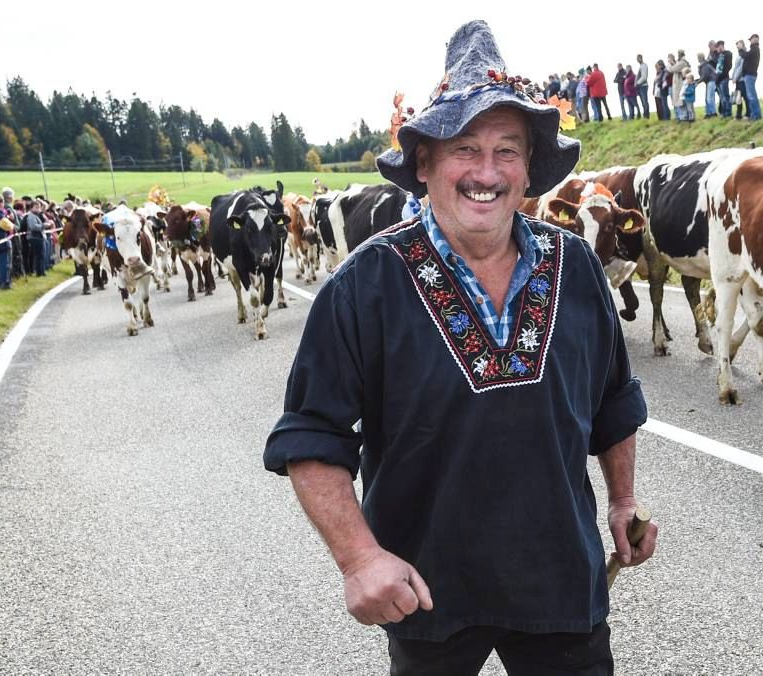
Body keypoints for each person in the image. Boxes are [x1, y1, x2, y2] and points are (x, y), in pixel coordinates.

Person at [264, 20, 655, 675]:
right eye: (465, 149)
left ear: (530, 167)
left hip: (561, 582)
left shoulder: (579, 268)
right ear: (425, 164)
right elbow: (311, 436)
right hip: (428, 592)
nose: (486, 171)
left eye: (507, 150)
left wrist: (622, 501)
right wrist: (360, 558)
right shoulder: (366, 283)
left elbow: (614, 401)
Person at [738, 34, 762, 121]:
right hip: (750, 75)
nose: (750, 41)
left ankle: (756, 115)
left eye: (751, 39)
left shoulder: (755, 49)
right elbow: (746, 55)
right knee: (750, 95)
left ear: (756, 39)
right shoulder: (754, 49)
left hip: (750, 75)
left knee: (751, 96)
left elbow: (745, 55)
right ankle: (754, 114)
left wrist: (740, 49)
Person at [25, 199, 47, 277]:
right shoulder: (31, 216)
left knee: (41, 255)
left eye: (39, 207)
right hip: (35, 237)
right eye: (36, 207)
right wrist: (44, 225)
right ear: (31, 208)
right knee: (39, 255)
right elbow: (33, 227)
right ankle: (39, 272)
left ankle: (42, 271)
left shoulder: (35, 216)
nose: (38, 209)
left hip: (39, 237)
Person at [668, 49, 689, 115]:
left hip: (680, 83)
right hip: (679, 83)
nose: (678, 55)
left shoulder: (682, 62)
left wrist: (670, 63)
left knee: (681, 101)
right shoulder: (681, 62)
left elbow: (672, 69)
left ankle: (684, 116)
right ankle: (683, 116)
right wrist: (673, 63)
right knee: (680, 100)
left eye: (678, 54)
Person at [715, 40, 733, 117]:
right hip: (718, 80)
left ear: (721, 46)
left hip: (724, 78)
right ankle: (724, 112)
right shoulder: (718, 56)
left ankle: (728, 112)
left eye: (718, 47)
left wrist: (722, 75)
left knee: (726, 96)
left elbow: (728, 66)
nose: (717, 49)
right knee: (722, 97)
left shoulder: (727, 54)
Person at [699, 51, 717, 118]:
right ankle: (709, 113)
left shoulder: (704, 65)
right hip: (709, 82)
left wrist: (697, 82)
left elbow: (704, 76)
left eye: (698, 57)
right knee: (708, 98)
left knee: (709, 98)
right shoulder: (705, 65)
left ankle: (713, 113)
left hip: (710, 81)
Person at [635, 54, 650, 118]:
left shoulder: (644, 66)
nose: (637, 60)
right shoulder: (641, 66)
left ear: (641, 58)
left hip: (643, 86)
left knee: (644, 101)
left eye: (638, 58)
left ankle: (646, 115)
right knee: (643, 101)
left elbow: (644, 77)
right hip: (641, 86)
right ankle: (645, 115)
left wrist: (637, 83)